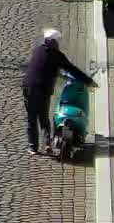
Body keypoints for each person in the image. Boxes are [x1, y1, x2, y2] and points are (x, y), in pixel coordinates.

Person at [21, 28, 94, 156]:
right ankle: (47, 145)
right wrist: (89, 81)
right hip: (42, 89)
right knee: (44, 118)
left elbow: (41, 66)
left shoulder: (37, 50)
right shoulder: (57, 55)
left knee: (31, 118)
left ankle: (33, 147)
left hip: (28, 86)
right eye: (56, 42)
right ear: (53, 42)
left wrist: (55, 73)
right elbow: (72, 69)